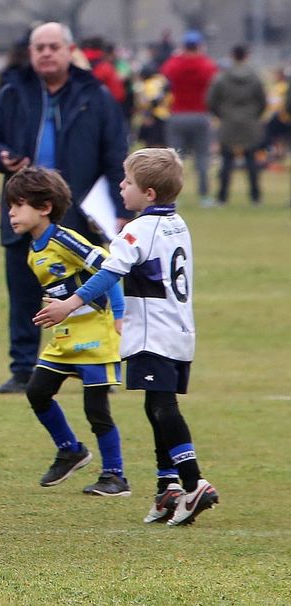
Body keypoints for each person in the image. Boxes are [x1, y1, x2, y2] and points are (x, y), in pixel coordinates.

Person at [34, 148, 218, 526]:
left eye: (128, 182)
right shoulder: (177, 224)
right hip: (180, 330)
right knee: (157, 405)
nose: (121, 186)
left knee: (163, 408)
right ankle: (168, 487)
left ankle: (193, 481)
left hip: (154, 333)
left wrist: (68, 304)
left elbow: (108, 272)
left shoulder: (137, 230)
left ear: (148, 193)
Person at [0, 21, 130, 395]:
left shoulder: (95, 94)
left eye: (53, 47)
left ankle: (93, 365)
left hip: (77, 214)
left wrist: (120, 206)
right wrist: (1, 156)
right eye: (39, 47)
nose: (46, 53)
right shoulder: (12, 91)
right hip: (23, 213)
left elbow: (115, 153)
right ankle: (23, 367)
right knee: (23, 291)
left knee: (86, 290)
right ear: (30, 53)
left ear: (69, 50)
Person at [1, 167, 129, 498]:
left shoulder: (63, 238)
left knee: (96, 409)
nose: (11, 213)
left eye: (19, 205)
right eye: (10, 206)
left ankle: (115, 476)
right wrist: (55, 302)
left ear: (44, 208)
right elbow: (66, 284)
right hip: (67, 335)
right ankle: (70, 450)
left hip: (96, 334)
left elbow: (109, 268)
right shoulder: (33, 251)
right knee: (37, 391)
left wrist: (118, 314)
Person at [160, 30, 218, 204]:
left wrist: (178, 55)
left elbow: (165, 72)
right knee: (202, 156)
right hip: (200, 114)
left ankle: (170, 197)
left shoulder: (175, 64)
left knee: (173, 160)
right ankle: (204, 196)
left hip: (177, 114)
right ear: (199, 46)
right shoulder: (206, 65)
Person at [207, 44, 267, 205]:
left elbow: (211, 101)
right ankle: (255, 197)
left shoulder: (222, 77)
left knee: (226, 160)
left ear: (232, 56)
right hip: (250, 122)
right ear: (246, 56)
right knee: (251, 160)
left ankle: (222, 197)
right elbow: (262, 101)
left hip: (228, 122)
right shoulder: (254, 77)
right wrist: (254, 116)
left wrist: (222, 115)